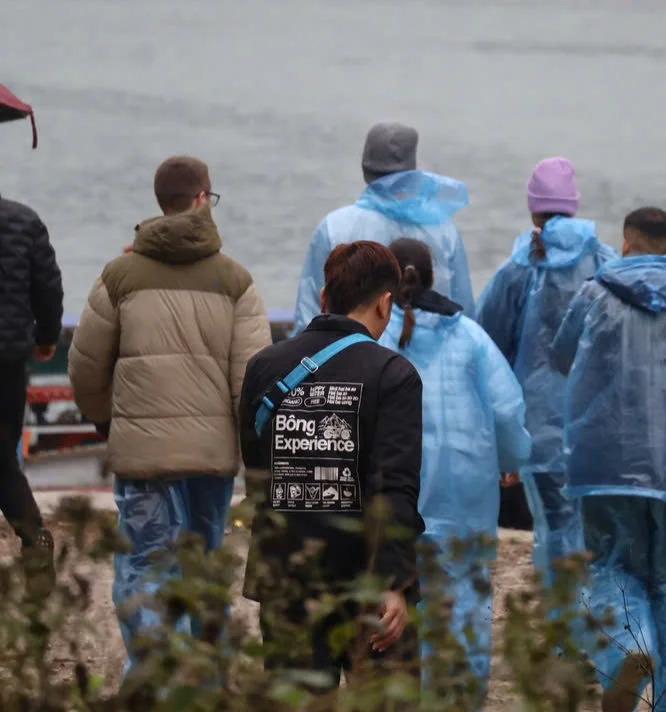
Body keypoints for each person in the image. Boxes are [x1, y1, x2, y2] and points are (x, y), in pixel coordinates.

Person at [68, 156, 271, 673]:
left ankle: (158, 677)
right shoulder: (237, 282)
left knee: (144, 563)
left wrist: (108, 425)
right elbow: (251, 383)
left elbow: (86, 366)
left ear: (161, 202)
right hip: (210, 457)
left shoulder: (119, 276)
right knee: (204, 567)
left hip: (142, 458)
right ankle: (202, 679)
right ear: (203, 199)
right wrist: (249, 453)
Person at [550, 208, 666, 712]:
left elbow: (562, 358)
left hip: (604, 462)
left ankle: (629, 646)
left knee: (610, 565)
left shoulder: (593, 294)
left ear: (624, 245)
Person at [240, 241, 424, 696]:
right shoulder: (392, 374)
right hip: (365, 580)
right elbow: (394, 490)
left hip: (287, 575)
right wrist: (395, 581)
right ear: (385, 303)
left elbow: (258, 470)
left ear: (325, 297)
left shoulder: (264, 366)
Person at [379, 238, 531, 705]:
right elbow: (507, 411)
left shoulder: (375, 337)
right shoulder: (468, 336)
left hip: (396, 491)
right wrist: (508, 464)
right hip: (465, 493)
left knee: (398, 598)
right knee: (464, 599)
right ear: (432, 278)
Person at [476, 158, 616, 587]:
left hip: (538, 426)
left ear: (533, 210)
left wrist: (497, 434)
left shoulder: (519, 267)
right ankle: (602, 623)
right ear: (573, 207)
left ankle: (563, 626)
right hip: (599, 423)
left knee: (553, 527)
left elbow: (487, 344)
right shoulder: (606, 262)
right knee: (598, 529)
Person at [293, 121, 475, 333]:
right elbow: (465, 312)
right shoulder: (445, 230)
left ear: (365, 168)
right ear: (412, 170)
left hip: (354, 360)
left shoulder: (333, 227)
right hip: (437, 363)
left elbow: (309, 313)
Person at [0, 187, 63, 599]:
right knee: (3, 455)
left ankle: (34, 533)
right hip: (7, 360)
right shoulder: (23, 220)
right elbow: (48, 288)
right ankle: (33, 533)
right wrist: (46, 337)